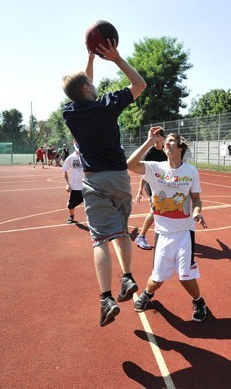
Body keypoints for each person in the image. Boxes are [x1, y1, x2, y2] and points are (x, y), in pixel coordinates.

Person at [62, 39, 146, 327]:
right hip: (121, 177)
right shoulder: (109, 104)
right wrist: (117, 58)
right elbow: (139, 84)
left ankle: (106, 298)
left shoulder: (69, 113)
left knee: (99, 239)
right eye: (90, 84)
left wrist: (90, 61)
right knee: (122, 231)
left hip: (95, 179)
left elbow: (82, 90)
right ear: (87, 88)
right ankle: (128, 277)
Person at [127, 129, 209, 322]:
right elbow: (130, 165)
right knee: (157, 279)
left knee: (185, 276)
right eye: (167, 141)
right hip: (163, 232)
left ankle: (199, 301)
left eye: (172, 141)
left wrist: (196, 212)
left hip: (184, 232)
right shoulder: (156, 168)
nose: (168, 143)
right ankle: (147, 294)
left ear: (180, 147)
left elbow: (196, 199)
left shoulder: (191, 171)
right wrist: (148, 142)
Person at [134, 128, 167, 250]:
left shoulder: (165, 154)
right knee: (154, 212)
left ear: (163, 138)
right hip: (151, 187)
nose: (157, 137)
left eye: (160, 135)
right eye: (155, 135)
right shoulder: (150, 153)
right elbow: (144, 174)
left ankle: (164, 235)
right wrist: (139, 192)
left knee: (162, 211)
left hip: (161, 186)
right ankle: (141, 236)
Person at [61, 142, 84, 224]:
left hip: (88, 186)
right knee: (71, 205)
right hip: (76, 187)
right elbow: (64, 171)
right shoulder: (71, 158)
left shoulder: (89, 156)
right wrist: (67, 184)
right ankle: (71, 215)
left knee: (94, 205)